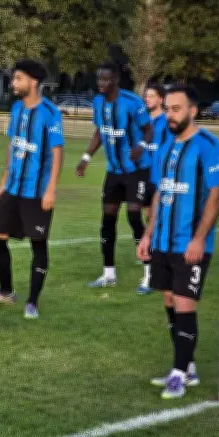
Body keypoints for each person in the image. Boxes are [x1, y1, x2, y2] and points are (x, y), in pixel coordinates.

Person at [137, 84, 219, 399]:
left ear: (193, 111)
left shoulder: (209, 146)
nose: (171, 115)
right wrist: (148, 235)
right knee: (170, 302)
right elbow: (161, 192)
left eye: (177, 109)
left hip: (191, 244)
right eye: (169, 109)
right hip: (163, 241)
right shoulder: (166, 148)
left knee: (185, 303)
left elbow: (217, 193)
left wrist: (199, 239)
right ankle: (186, 367)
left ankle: (178, 374)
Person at [0, 60, 64, 320]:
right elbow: (12, 145)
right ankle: (5, 291)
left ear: (33, 82)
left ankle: (32, 301)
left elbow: (57, 152)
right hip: (13, 188)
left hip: (36, 192)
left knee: (38, 244)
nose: (13, 83)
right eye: (13, 79)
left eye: (18, 79)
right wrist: (3, 179)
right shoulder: (16, 109)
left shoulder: (50, 113)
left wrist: (51, 189)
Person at [76, 62, 152, 290]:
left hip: (137, 170)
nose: (102, 83)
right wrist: (86, 157)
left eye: (106, 79)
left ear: (116, 80)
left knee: (133, 216)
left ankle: (149, 272)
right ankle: (108, 274)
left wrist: (140, 145)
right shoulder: (98, 102)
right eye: (99, 79)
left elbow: (149, 129)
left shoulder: (132, 103)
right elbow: (100, 130)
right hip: (114, 171)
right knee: (107, 220)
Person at [137, 82, 170, 294]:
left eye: (151, 96)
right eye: (146, 95)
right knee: (147, 221)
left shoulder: (166, 123)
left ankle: (153, 275)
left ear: (161, 99)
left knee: (157, 223)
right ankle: (151, 270)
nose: (147, 99)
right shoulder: (145, 122)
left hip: (161, 181)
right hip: (145, 179)